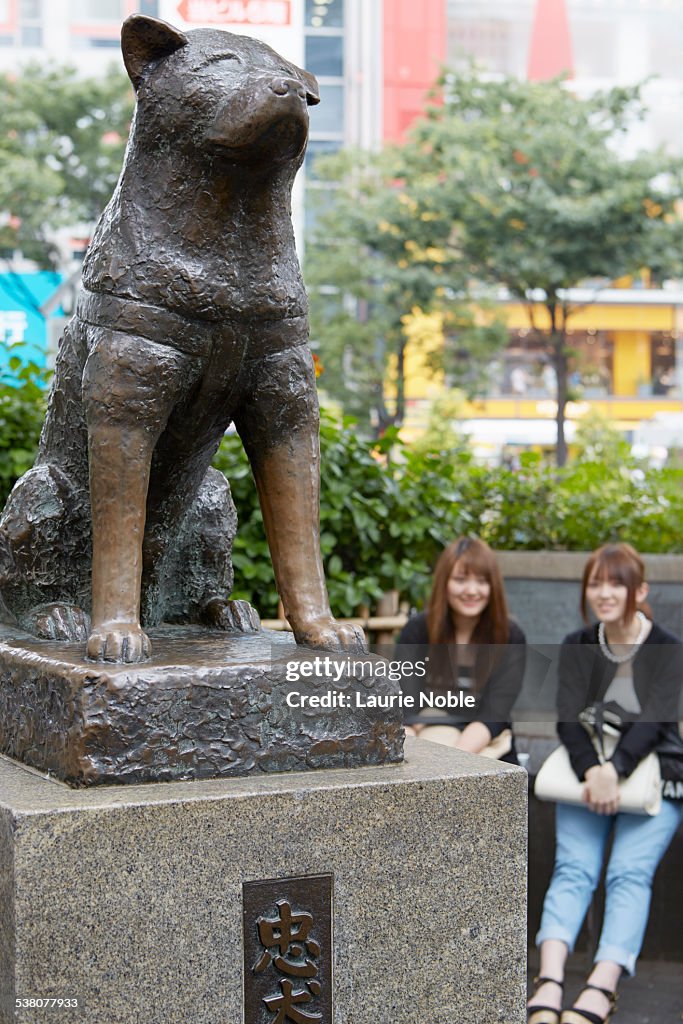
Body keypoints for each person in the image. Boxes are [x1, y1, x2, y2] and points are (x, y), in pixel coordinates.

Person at [528, 543, 683, 1024]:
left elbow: (655, 723)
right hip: (586, 774)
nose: (605, 592)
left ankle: (601, 986)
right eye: (596, 582)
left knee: (628, 873)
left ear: (640, 590)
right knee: (574, 868)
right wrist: (593, 770)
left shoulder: (668, 649)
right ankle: (549, 980)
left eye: (616, 582)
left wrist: (614, 770)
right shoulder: (578, 644)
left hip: (654, 777)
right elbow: (567, 718)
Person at [397, 536, 526, 763]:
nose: (472, 590)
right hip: (427, 735)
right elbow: (406, 705)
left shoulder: (509, 636)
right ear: (444, 583)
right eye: (460, 579)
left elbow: (495, 713)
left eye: (481, 581)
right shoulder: (417, 631)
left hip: (485, 738)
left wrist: (454, 765)